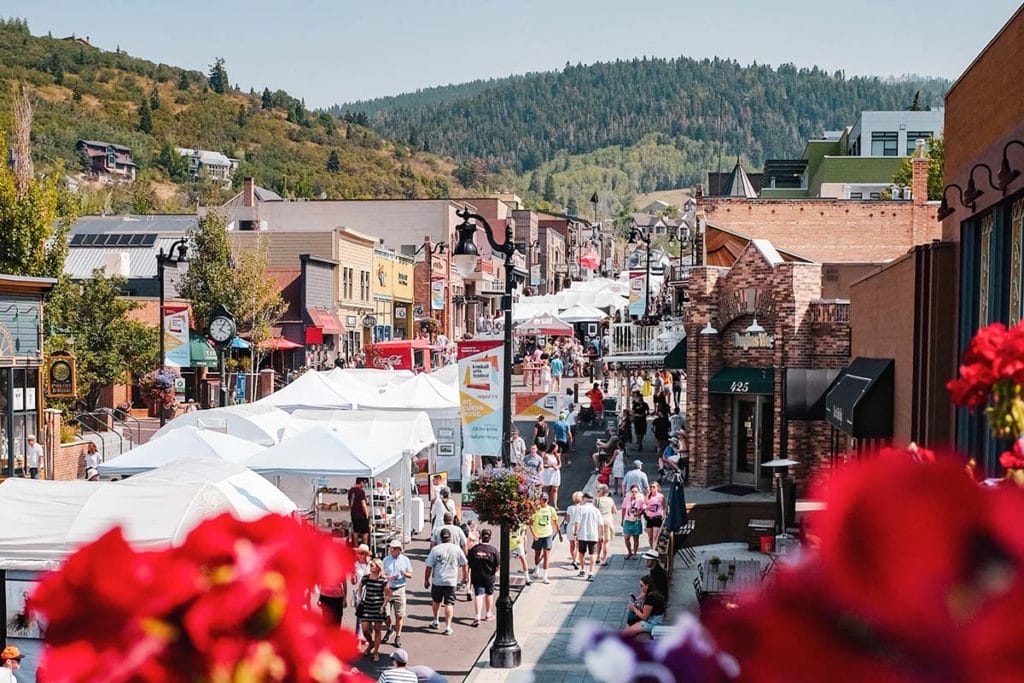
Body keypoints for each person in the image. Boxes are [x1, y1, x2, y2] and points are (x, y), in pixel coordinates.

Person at [424, 528, 469, 636]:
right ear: (450, 537)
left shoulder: (435, 550)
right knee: (449, 604)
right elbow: (464, 564)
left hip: (438, 580)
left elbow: (429, 566)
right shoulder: (456, 549)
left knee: (436, 601)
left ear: (440, 538)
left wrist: (426, 579)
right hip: (451, 580)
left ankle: (436, 620)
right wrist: (465, 577)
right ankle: (448, 626)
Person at [382, 540, 414, 649]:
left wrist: (404, 574)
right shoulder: (386, 560)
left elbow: (410, 574)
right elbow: (382, 574)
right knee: (385, 614)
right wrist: (389, 578)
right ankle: (389, 628)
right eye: (390, 548)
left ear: (398, 550)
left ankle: (398, 636)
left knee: (399, 615)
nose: (391, 550)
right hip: (388, 589)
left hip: (400, 589)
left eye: (393, 548)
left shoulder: (405, 560)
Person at [359, 559, 391, 661]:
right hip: (367, 606)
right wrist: (360, 597)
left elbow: (388, 594)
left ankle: (376, 652)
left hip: (378, 607)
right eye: (370, 565)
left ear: (378, 567)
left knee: (377, 630)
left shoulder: (383, 580)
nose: (371, 567)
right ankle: (371, 644)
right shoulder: (366, 578)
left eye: (372, 565)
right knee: (365, 629)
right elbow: (360, 585)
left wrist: (383, 606)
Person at [468, 528, 500, 626]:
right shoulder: (493, 550)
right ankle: (488, 613)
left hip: (476, 575)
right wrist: (494, 571)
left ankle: (477, 616)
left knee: (478, 595)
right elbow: (498, 565)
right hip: (489, 576)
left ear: (481, 537)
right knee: (489, 594)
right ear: (490, 538)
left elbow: (469, 562)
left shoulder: (474, 549)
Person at [530, 493, 562, 583]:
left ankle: (545, 575)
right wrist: (534, 534)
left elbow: (555, 522)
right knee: (537, 554)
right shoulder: (536, 509)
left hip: (547, 534)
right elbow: (531, 523)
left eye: (545, 500)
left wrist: (559, 533)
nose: (543, 501)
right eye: (542, 499)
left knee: (546, 555)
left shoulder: (551, 509)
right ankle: (536, 569)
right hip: (538, 535)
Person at [574, 492, 604, 581]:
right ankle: (591, 572)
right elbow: (601, 524)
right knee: (593, 554)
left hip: (582, 535)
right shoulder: (596, 510)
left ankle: (582, 569)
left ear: (584, 499)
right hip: (593, 535)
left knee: (581, 553)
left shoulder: (580, 509)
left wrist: (575, 533)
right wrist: (601, 534)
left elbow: (577, 522)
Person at [351, 543, 372, 649]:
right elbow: (353, 582)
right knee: (360, 617)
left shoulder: (371, 565)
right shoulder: (354, 565)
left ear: (365, 554)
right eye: (357, 552)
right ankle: (358, 639)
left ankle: (365, 636)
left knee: (367, 617)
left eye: (360, 553)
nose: (358, 554)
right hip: (358, 594)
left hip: (369, 593)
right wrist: (353, 577)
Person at [595, 484, 618, 567]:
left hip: (599, 521)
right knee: (606, 541)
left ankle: (597, 557)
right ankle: (604, 559)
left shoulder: (597, 500)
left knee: (599, 540)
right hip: (608, 520)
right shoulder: (610, 500)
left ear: (601, 492)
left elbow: (594, 511)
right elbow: (615, 511)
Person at [621, 484, 646, 559]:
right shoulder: (626, 499)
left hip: (636, 521)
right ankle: (629, 552)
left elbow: (644, 508)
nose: (634, 493)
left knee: (636, 538)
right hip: (628, 520)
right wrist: (622, 520)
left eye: (636, 491)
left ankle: (635, 553)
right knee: (626, 537)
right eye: (632, 491)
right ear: (630, 492)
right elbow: (623, 509)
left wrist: (640, 513)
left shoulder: (640, 500)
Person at [562, 491, 583, 568]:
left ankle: (574, 559)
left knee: (572, 544)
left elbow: (567, 519)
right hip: (579, 526)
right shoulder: (581, 508)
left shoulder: (569, 508)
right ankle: (576, 559)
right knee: (578, 544)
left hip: (570, 526)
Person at [643, 481, 666, 550]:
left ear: (657, 488)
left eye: (654, 487)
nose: (652, 488)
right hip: (649, 518)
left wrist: (663, 515)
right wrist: (644, 508)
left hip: (657, 518)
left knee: (655, 536)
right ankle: (651, 548)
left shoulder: (661, 496)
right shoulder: (648, 496)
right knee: (650, 536)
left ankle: (654, 550)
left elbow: (664, 506)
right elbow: (644, 504)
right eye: (651, 487)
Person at [348, 478, 370, 546]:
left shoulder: (350, 491)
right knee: (365, 532)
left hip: (354, 514)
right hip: (361, 515)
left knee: (355, 531)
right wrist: (366, 514)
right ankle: (364, 548)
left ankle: (356, 547)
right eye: (364, 483)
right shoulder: (361, 491)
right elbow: (363, 504)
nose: (364, 485)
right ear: (361, 482)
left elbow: (350, 504)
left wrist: (353, 510)